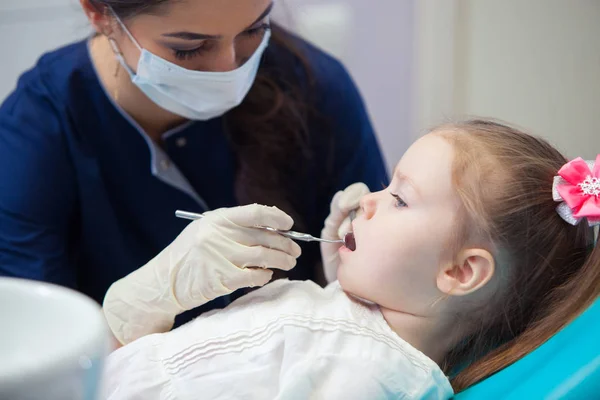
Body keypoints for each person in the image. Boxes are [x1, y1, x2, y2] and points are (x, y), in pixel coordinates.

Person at [101, 119, 600, 398]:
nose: (368, 200)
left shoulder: (372, 376)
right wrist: (336, 285)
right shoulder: (358, 335)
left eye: (400, 199)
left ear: (458, 272)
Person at [0, 0, 388, 329]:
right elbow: (37, 354)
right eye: (188, 49)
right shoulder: (37, 131)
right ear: (100, 14)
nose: (229, 70)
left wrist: (357, 282)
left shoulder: (315, 85)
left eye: (253, 31)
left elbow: (397, 304)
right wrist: (136, 308)